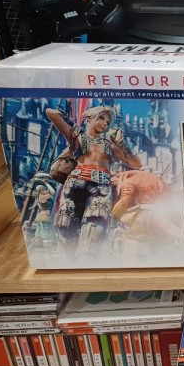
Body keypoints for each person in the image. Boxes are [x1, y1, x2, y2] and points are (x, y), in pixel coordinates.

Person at [45, 105, 142, 260]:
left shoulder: (109, 145)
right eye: (101, 118)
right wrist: (74, 124)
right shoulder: (77, 137)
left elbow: (136, 163)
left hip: (100, 187)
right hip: (75, 182)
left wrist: (121, 142)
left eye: (108, 122)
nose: (105, 123)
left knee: (95, 224)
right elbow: (51, 113)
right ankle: (68, 262)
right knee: (65, 222)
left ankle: (84, 263)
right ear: (89, 118)